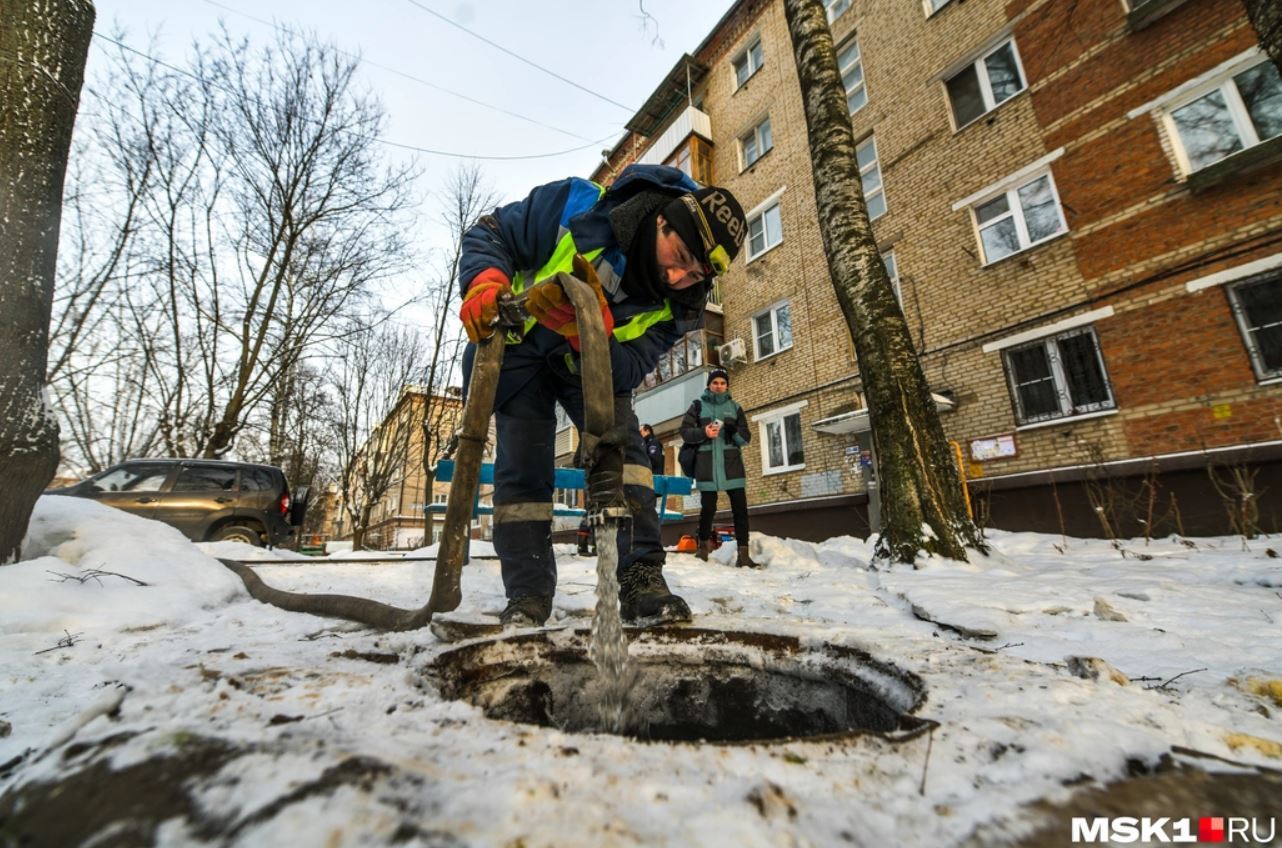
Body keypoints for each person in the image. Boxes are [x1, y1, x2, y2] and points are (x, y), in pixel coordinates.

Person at [458, 164, 746, 627]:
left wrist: (591, 335)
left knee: (626, 455)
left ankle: (640, 580)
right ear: (660, 220)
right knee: (523, 469)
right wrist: (486, 282)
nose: (676, 277)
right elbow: (493, 232)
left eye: (692, 273)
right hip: (517, 351)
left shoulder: (679, 308)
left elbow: (630, 370)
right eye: (677, 256)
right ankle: (527, 594)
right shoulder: (578, 205)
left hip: (586, 364)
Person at [680, 368, 759, 568]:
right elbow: (686, 432)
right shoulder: (697, 406)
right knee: (708, 508)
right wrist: (704, 432)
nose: (719, 386)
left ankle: (744, 554)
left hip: (731, 464)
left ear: (727, 386)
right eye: (715, 383)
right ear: (709, 385)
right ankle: (702, 549)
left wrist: (733, 432)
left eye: (722, 383)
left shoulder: (735, 407)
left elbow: (745, 438)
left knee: (740, 509)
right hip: (706, 464)